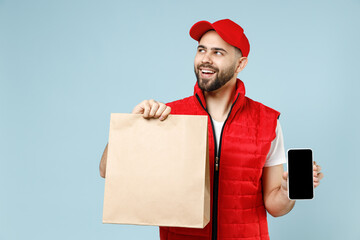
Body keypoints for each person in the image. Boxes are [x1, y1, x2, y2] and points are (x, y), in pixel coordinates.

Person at [99, 19, 324, 240]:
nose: (205, 59)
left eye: (218, 52)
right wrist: (133, 126)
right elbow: (107, 170)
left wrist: (287, 190)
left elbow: (275, 207)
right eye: (201, 50)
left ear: (240, 64)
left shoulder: (266, 121)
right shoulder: (168, 115)